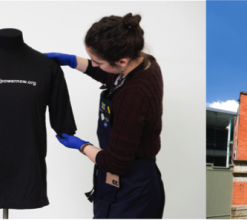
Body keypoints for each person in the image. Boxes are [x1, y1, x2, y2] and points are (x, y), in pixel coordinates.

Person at [45, 13, 165, 219]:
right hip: (120, 182)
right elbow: (111, 74)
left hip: (134, 190)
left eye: (96, 62)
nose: (94, 65)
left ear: (122, 60)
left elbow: (115, 163)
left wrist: (81, 146)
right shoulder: (143, 61)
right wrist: (72, 61)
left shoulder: (135, 95)